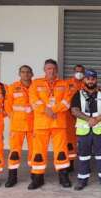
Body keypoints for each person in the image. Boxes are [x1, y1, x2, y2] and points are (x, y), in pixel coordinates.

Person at [28, 59, 72, 190]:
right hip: (41, 124)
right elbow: (34, 101)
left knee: (61, 152)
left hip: (58, 123)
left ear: (56, 70)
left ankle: (63, 176)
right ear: (44, 70)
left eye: (53, 68)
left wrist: (53, 110)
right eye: (48, 68)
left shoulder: (64, 84)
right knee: (38, 152)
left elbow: (67, 102)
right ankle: (37, 178)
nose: (51, 71)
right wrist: (46, 110)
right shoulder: (35, 83)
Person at [70, 69, 101, 190]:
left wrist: (96, 120)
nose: (90, 81)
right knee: (83, 157)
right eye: (88, 79)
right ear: (84, 80)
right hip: (84, 132)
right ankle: (82, 181)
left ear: (96, 80)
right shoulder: (78, 94)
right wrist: (89, 119)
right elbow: (74, 110)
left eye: (93, 79)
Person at [4, 65, 34, 187]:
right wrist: (14, 117)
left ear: (32, 74)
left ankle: (35, 174)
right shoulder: (12, 87)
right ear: (19, 74)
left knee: (35, 151)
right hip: (17, 125)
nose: (25, 74)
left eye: (28, 72)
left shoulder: (36, 86)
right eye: (23, 72)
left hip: (33, 124)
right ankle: (12, 176)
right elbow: (7, 105)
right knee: (14, 152)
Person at [65, 65, 85, 172]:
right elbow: (63, 98)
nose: (79, 73)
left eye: (81, 71)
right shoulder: (67, 84)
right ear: (73, 72)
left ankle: (84, 164)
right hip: (69, 117)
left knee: (84, 140)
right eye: (77, 71)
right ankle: (70, 163)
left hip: (83, 117)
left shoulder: (87, 84)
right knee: (70, 141)